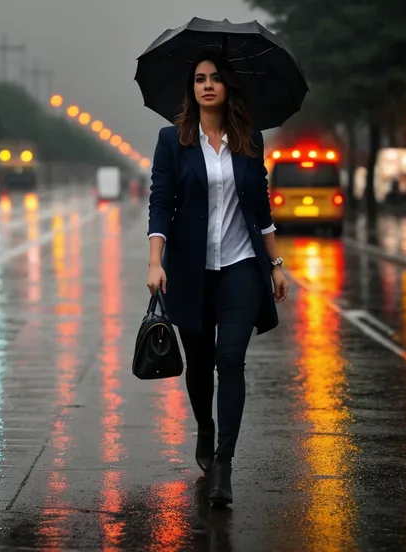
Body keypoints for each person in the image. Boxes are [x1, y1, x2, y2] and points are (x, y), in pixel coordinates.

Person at [146, 53, 289, 506]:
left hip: (241, 266)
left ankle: (223, 464)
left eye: (215, 79)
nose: (207, 86)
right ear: (191, 88)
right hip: (189, 269)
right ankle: (205, 428)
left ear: (228, 86)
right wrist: (156, 261)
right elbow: (160, 202)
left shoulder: (250, 140)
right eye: (199, 79)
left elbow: (260, 205)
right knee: (200, 362)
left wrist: (276, 263)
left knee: (230, 358)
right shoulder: (173, 141)